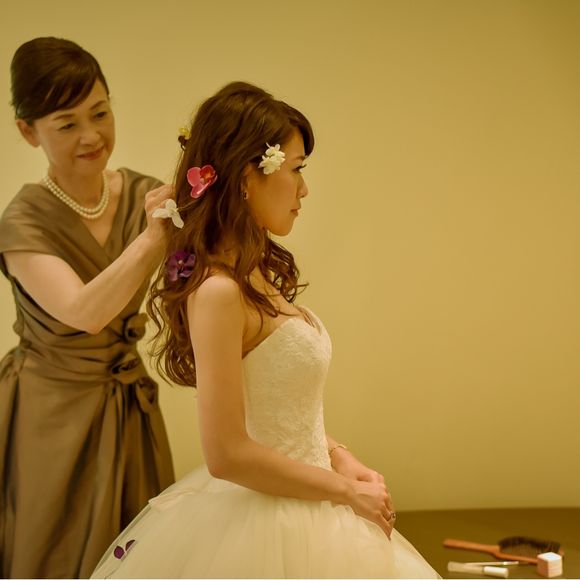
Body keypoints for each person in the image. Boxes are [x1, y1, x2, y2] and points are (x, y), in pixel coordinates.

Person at [90, 81, 439, 579]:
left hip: (309, 502)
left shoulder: (254, 274)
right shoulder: (217, 291)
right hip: (261, 526)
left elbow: (277, 415)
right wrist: (344, 492)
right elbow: (227, 454)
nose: (304, 189)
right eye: (296, 169)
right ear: (245, 179)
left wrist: (338, 456)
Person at [0, 37, 175, 578]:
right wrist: (153, 238)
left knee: (141, 552)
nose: (92, 135)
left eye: (100, 113)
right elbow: (84, 311)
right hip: (51, 415)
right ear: (28, 131)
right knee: (49, 550)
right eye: (67, 123)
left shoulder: (145, 195)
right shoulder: (22, 221)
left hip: (129, 404)